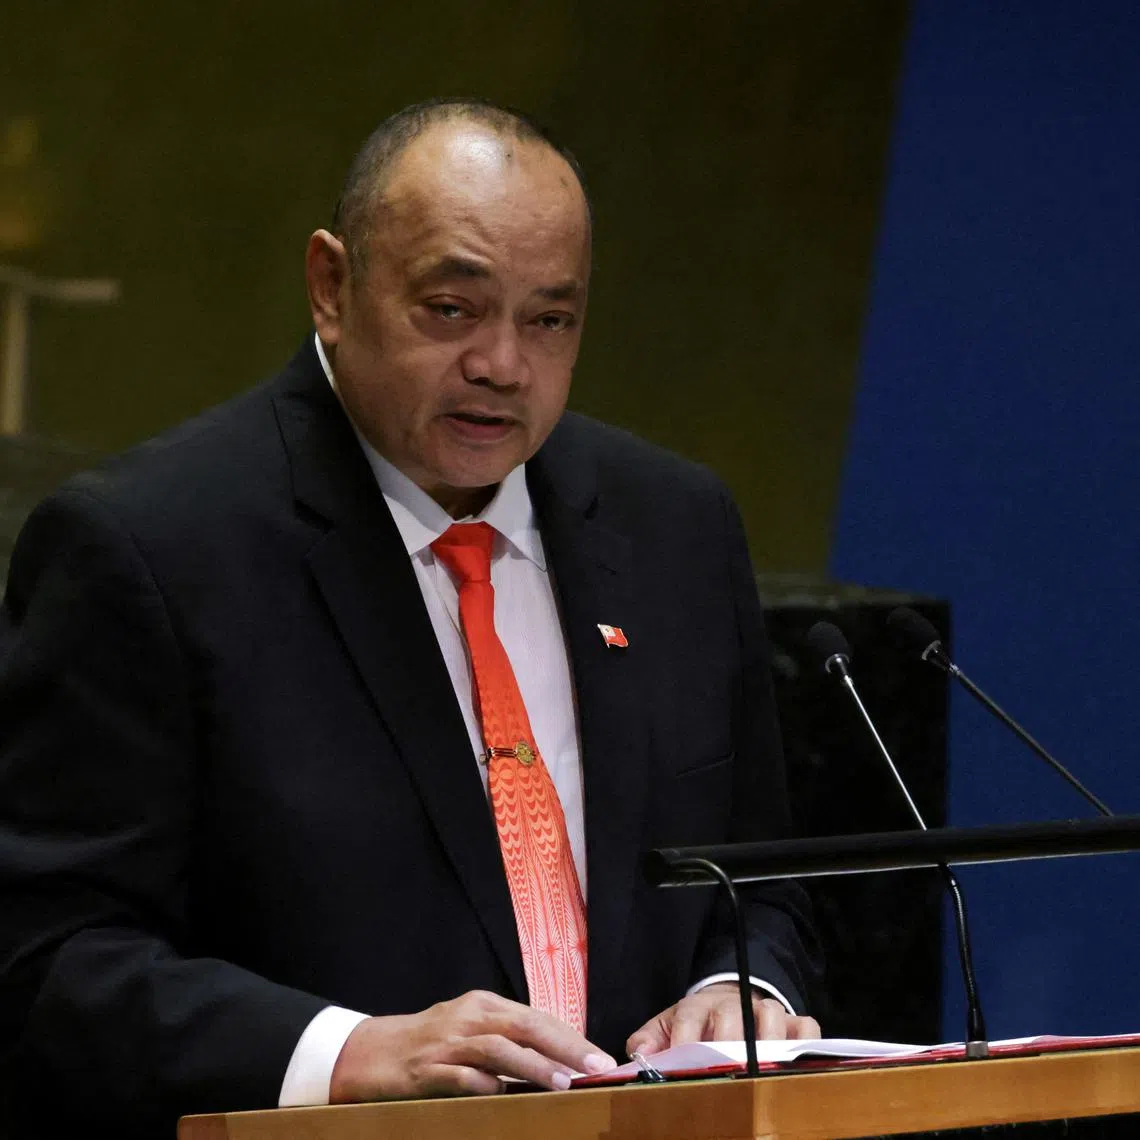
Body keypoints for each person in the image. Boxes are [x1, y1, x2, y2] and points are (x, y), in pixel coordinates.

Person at [0, 99, 822, 1135]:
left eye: (549, 320)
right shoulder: (150, 549)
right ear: (332, 286)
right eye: (452, 309)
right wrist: (342, 1052)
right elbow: (44, 954)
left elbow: (762, 883)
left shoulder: (677, 528)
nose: (503, 364)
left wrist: (750, 988)